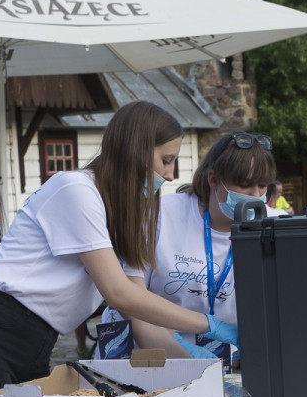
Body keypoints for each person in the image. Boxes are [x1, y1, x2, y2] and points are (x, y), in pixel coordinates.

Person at [0, 100, 239, 397]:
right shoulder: (77, 189)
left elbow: (134, 300)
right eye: (166, 160)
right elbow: (119, 293)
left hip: (38, 336)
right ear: (135, 151)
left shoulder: (119, 212)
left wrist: (197, 364)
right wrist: (211, 325)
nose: (171, 174)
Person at [99, 130, 276, 362]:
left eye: (262, 187)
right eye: (245, 186)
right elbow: (130, 303)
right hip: (149, 358)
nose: (255, 196)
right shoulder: (158, 215)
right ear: (213, 179)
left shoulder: (274, 225)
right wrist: (186, 357)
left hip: (226, 363)